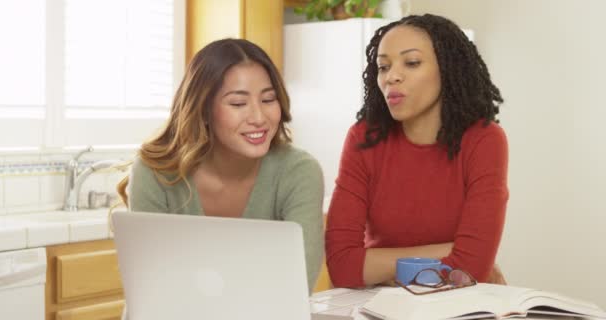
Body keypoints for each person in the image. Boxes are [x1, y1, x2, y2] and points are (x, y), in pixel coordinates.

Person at [117, 39, 324, 290]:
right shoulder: (155, 172)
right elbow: (151, 286)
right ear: (203, 110)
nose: (259, 118)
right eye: (238, 104)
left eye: (268, 100)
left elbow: (297, 285)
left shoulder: (298, 173)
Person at [325, 14, 509, 288]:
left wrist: (377, 267)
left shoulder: (484, 140)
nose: (392, 77)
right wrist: (449, 253)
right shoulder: (364, 139)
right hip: (377, 307)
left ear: (448, 69)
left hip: (460, 309)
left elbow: (471, 268)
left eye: (411, 63)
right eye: (383, 67)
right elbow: (342, 266)